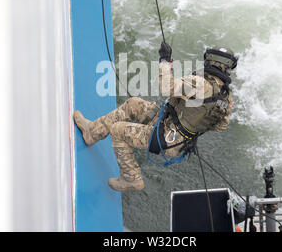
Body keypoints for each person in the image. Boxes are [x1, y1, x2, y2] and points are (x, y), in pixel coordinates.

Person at [73, 42, 238, 192]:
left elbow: (167, 87)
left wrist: (165, 60)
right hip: (177, 135)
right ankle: (92, 132)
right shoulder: (225, 97)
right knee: (134, 104)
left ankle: (131, 178)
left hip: (168, 138)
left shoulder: (200, 83)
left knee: (118, 130)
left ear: (209, 60)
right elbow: (220, 126)